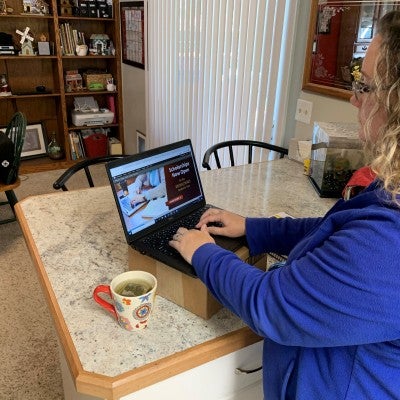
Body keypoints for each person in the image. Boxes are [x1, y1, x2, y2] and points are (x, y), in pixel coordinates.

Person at [169, 11, 400, 399]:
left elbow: (270, 304)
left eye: (365, 85)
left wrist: (204, 254)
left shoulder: (388, 243)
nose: (353, 97)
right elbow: (334, 234)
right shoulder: (388, 187)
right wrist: (255, 228)